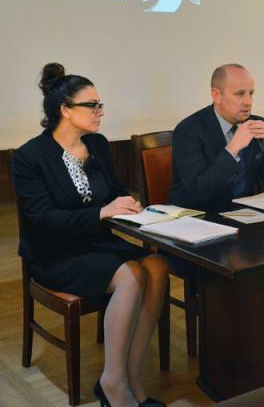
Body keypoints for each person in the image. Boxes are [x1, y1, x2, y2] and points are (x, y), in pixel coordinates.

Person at [13, 63, 168, 407]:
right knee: (131, 275)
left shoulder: (96, 144)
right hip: (54, 253)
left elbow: (113, 191)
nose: (101, 111)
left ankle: (132, 376)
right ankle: (112, 383)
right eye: (92, 105)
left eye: (100, 104)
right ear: (65, 110)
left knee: (158, 266)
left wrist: (128, 203)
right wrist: (102, 212)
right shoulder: (29, 157)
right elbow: (42, 220)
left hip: (97, 242)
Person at [169, 63, 264, 211]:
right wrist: (233, 148)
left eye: (251, 93)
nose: (248, 102)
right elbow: (199, 192)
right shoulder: (188, 130)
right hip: (201, 216)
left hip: (247, 215)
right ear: (216, 95)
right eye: (240, 94)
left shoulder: (255, 123)